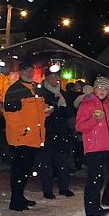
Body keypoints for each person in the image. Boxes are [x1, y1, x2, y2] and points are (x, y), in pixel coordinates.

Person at [74, 76, 109, 216]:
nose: (102, 90)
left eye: (105, 88)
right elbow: (79, 126)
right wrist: (94, 120)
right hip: (94, 148)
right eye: (99, 87)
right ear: (94, 89)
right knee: (96, 178)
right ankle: (92, 209)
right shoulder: (87, 104)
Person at [3, 59, 48, 212]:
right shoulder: (15, 90)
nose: (29, 72)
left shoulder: (35, 88)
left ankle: (19, 196)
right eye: (26, 70)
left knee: (25, 169)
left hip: (33, 138)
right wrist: (23, 131)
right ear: (20, 72)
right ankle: (15, 200)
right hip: (21, 139)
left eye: (31, 69)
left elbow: (37, 112)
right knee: (19, 170)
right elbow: (10, 116)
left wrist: (47, 111)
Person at [36, 70, 75, 199]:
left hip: (61, 133)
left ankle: (64, 188)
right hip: (46, 133)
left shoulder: (63, 94)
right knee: (46, 163)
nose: (55, 80)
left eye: (57, 77)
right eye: (52, 77)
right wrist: (54, 108)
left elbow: (69, 113)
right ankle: (47, 190)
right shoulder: (41, 93)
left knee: (62, 162)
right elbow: (40, 112)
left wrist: (62, 109)